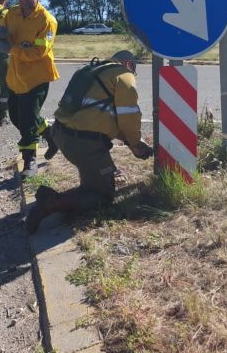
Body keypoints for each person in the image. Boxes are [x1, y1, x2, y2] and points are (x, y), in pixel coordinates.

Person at [26, 50, 153, 233]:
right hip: (85, 143)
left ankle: (67, 196)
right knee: (102, 194)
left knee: (94, 179)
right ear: (128, 65)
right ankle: (51, 203)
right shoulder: (123, 76)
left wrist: (132, 143)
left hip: (62, 134)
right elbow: (129, 117)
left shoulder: (92, 71)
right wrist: (135, 144)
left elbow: (101, 116)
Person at [0, 0, 59, 177]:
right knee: (16, 116)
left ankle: (29, 160)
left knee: (26, 119)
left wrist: (12, 49)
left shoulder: (47, 21)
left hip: (37, 77)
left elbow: (37, 53)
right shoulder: (10, 14)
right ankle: (50, 134)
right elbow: (3, 34)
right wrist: (0, 36)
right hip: (15, 76)